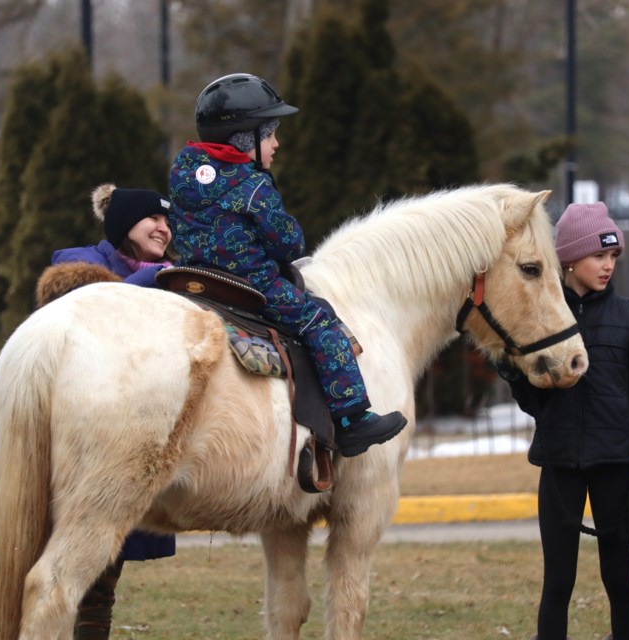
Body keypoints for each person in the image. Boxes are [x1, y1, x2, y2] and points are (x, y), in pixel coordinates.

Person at [166, 72, 407, 457]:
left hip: (195, 276)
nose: (276, 143)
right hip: (251, 284)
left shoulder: (183, 169)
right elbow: (288, 244)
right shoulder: (253, 184)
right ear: (244, 137)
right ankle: (352, 419)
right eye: (269, 133)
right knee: (320, 322)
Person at [497, 202, 629, 640]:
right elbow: (537, 403)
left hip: (616, 465)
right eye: (599, 256)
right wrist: (516, 375)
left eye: (613, 257)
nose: (608, 265)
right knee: (558, 582)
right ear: (569, 260)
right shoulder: (546, 318)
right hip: (559, 466)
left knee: (618, 580)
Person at [50, 183, 177, 639]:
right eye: (153, 219)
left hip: (132, 433)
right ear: (124, 224)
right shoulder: (80, 263)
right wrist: (149, 283)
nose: (164, 228)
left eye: (168, 221)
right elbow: (87, 302)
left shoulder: (170, 275)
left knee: (103, 577)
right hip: (78, 434)